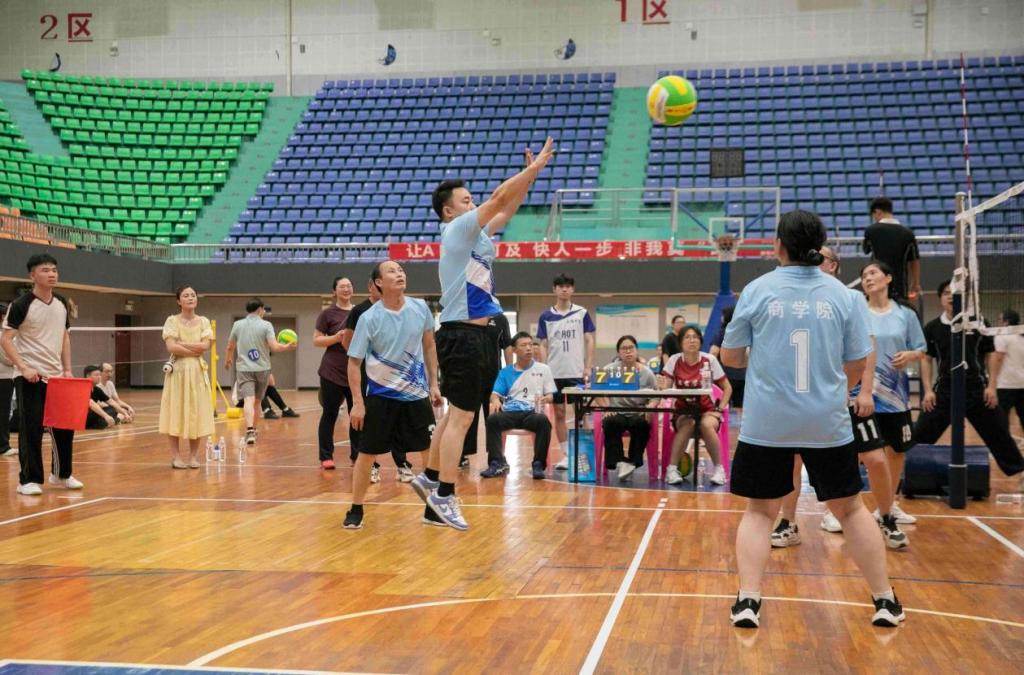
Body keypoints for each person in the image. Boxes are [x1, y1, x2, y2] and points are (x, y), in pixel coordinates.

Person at [721, 210, 903, 629]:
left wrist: (766, 364)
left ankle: (748, 601)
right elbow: (857, 363)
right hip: (826, 420)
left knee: (760, 512)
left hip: (767, 422)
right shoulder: (845, 296)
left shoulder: (757, 290)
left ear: (778, 247)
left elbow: (731, 358)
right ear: (819, 249)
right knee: (851, 510)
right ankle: (885, 601)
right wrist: (832, 389)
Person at [417, 137, 555, 531]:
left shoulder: (475, 235)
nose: (472, 203)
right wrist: (531, 169)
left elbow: (507, 208)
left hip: (474, 335)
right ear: (449, 211)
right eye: (466, 200)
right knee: (462, 419)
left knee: (453, 417)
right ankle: (444, 495)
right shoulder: (457, 229)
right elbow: (498, 198)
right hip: (463, 335)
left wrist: (530, 178)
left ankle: (430, 478)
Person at [771, 246, 907, 549]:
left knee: (875, 458)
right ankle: (788, 522)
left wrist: (866, 391)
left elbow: (868, 349)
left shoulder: (849, 299)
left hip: (850, 395)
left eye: (820, 257)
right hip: (806, 398)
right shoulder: (797, 300)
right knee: (794, 460)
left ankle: (886, 517)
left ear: (833, 265)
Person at [344, 261, 441, 530]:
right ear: (378, 283)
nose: (399, 274)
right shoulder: (369, 318)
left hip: (416, 394)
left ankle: (432, 507)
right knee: (367, 454)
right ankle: (356, 508)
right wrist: (358, 403)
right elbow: (353, 363)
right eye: (392, 271)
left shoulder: (420, 308)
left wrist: (434, 384)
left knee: (429, 451)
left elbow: (429, 347)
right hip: (380, 396)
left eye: (400, 270)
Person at [913, 281, 1024, 481]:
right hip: (945, 390)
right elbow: (926, 359)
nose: (950, 296)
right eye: (946, 293)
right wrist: (928, 391)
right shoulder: (932, 327)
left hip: (977, 390)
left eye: (954, 293)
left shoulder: (978, 323)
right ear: (941, 298)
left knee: (1000, 433)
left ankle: (1019, 472)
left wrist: (992, 386)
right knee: (920, 434)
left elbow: (991, 353)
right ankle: (905, 473)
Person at [1, 254, 82, 494]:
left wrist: (67, 369)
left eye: (54, 270)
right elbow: (6, 339)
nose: (51, 274)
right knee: (31, 429)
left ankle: (61, 474)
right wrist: (23, 367)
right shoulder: (21, 304)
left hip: (57, 376)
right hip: (29, 376)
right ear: (32, 275)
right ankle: (28, 480)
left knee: (64, 428)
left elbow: (64, 337)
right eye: (45, 270)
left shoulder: (61, 302)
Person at [342, 274, 415, 482]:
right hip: (368, 375)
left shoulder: (399, 308)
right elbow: (348, 342)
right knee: (364, 419)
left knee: (398, 418)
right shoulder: (360, 311)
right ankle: (369, 465)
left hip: (395, 375)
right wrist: (365, 358)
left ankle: (402, 463)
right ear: (371, 286)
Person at [538, 273, 596, 471]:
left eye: (568, 286)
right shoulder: (546, 316)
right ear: (554, 289)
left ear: (573, 289)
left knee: (581, 414)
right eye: (560, 286)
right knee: (559, 413)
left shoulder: (581, 313)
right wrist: (543, 369)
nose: (564, 289)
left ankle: (584, 454)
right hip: (554, 373)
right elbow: (543, 344)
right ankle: (566, 455)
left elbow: (589, 340)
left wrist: (588, 366)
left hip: (576, 372)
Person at [480, 331, 556, 479]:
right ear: (514, 350)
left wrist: (545, 399)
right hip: (510, 412)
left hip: (532, 412)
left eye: (530, 345)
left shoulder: (544, 369)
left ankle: (538, 464)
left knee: (543, 421)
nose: (529, 348)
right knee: (493, 420)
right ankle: (496, 462)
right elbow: (495, 394)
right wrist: (495, 400)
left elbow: (550, 396)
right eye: (523, 345)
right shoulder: (505, 372)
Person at [662, 325, 731, 486]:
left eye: (695, 337)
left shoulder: (709, 360)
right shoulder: (674, 360)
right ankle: (672, 470)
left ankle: (719, 470)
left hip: (707, 410)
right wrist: (662, 386)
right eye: (687, 337)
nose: (692, 340)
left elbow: (727, 388)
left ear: (700, 341)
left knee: (706, 424)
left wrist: (719, 409)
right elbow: (665, 390)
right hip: (683, 411)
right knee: (689, 424)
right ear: (681, 342)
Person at [224, 298, 296, 446]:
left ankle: (250, 430)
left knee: (248, 400)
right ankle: (253, 430)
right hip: (262, 369)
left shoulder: (237, 325)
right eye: (263, 310)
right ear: (260, 310)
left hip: (244, 369)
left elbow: (230, 346)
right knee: (257, 402)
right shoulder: (266, 325)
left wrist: (228, 360)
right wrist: (287, 347)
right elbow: (275, 347)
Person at [158, 286, 215, 468]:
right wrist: (194, 348)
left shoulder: (204, 321)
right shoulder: (172, 321)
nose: (190, 298)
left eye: (193, 295)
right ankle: (176, 457)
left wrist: (182, 344)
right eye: (186, 295)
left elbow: (205, 346)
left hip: (197, 372)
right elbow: (171, 347)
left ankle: (193, 457)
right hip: (177, 372)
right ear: (178, 300)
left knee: (196, 412)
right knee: (174, 411)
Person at [600, 335, 659, 481]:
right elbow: (594, 390)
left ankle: (632, 462)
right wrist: (606, 407)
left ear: (637, 350)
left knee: (641, 423)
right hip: (616, 411)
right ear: (618, 353)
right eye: (624, 349)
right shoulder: (608, 370)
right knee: (610, 422)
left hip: (638, 412)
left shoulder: (647, 373)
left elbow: (656, 395)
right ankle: (620, 462)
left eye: (631, 348)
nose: (628, 351)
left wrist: (650, 406)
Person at [461, 311, 514, 469]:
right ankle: (462, 454)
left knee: (494, 417)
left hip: (494, 377)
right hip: (469, 376)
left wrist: (509, 373)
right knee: (467, 417)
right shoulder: (466, 315)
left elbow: (507, 346)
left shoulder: (500, 318)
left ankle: (496, 456)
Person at [314, 276, 355, 470]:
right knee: (329, 413)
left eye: (349, 286)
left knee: (357, 414)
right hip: (332, 371)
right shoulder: (327, 314)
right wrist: (336, 338)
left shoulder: (359, 312)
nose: (346, 289)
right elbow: (317, 340)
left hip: (355, 370)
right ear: (334, 291)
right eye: (342, 286)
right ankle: (326, 456)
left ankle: (357, 455)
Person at [863, 197, 920, 302]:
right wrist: (915, 283)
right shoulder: (908, 233)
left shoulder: (871, 231)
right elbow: (914, 261)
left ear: (877, 212)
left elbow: (866, 250)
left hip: (877, 283)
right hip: (900, 286)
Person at [993, 309, 1024, 433]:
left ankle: (1003, 443)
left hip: (1006, 384)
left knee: (1001, 418)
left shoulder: (1002, 335)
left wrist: (992, 381)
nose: (998, 322)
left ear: (1006, 322)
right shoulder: (1021, 337)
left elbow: (998, 359)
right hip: (1022, 383)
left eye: (1000, 319)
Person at [710, 306, 745, 413]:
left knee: (724, 404)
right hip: (742, 375)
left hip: (725, 376)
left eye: (723, 315)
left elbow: (713, 352)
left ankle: (724, 422)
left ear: (726, 317)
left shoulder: (722, 332)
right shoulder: (743, 332)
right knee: (740, 406)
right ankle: (740, 424)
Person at [84, 364, 129, 429]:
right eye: (96, 375)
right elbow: (91, 404)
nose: (99, 377)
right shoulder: (83, 388)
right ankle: (115, 420)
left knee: (111, 409)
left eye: (99, 375)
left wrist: (125, 413)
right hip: (84, 417)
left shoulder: (97, 389)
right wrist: (106, 416)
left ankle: (106, 422)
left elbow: (111, 402)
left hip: (94, 414)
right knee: (103, 414)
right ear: (88, 376)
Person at [0, 301, 15, 457]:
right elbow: (6, 358)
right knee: (3, 412)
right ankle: (3, 446)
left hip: (4, 377)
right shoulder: (2, 335)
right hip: (3, 378)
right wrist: (20, 362)